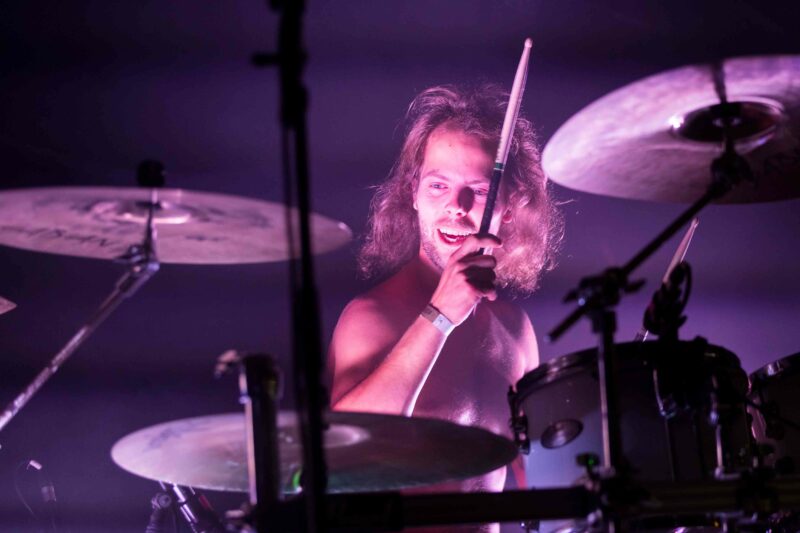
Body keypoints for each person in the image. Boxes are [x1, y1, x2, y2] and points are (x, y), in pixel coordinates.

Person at [327, 84, 562, 532]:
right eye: (438, 186)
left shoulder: (515, 328)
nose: (456, 208)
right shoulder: (370, 316)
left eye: (478, 190)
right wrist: (439, 316)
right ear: (413, 193)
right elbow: (348, 449)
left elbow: (539, 472)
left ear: (510, 205)